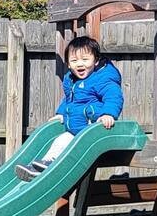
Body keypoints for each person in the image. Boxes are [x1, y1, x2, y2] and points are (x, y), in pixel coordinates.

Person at [15, 36, 124, 182]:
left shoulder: (102, 78)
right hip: (75, 130)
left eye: (85, 60)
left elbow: (113, 96)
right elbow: (69, 100)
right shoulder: (71, 80)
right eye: (74, 61)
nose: (80, 64)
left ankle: (49, 166)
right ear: (68, 64)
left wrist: (108, 114)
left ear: (96, 61)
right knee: (60, 141)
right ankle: (40, 167)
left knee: (65, 144)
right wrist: (61, 114)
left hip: (92, 131)